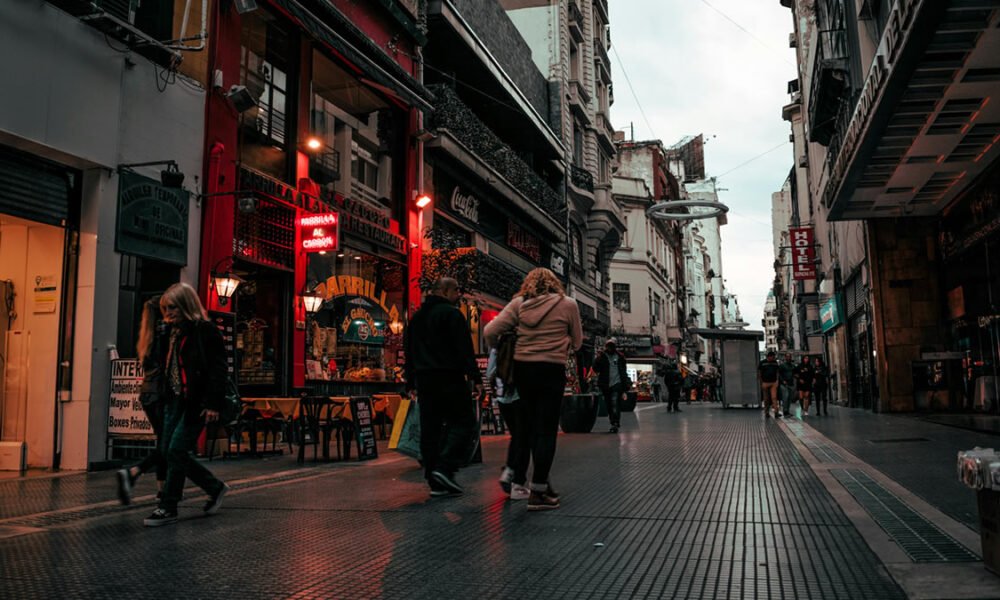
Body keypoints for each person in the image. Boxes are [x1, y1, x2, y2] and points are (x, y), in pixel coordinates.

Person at [484, 268, 582, 511]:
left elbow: (489, 332)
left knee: (528, 428)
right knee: (547, 430)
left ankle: (536, 485)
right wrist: (563, 342)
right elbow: (578, 342)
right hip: (551, 370)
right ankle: (538, 489)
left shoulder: (519, 304)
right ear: (555, 283)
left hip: (523, 371)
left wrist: (505, 344)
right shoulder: (568, 304)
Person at [144, 283, 230, 527]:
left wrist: (212, 403)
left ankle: (168, 506)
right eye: (165, 308)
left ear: (185, 305)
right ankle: (214, 487)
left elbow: (218, 369)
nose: (168, 313)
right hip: (173, 400)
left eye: (172, 308)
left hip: (196, 402)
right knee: (169, 450)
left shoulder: (205, 331)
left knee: (175, 450)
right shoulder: (171, 333)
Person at [404, 277, 482, 497]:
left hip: (425, 380)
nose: (459, 294)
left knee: (431, 429)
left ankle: (434, 480)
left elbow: (409, 351)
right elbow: (464, 349)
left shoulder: (417, 318)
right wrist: (475, 377)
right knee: (465, 423)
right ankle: (445, 467)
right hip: (450, 377)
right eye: (457, 290)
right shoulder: (451, 314)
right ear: (446, 291)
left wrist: (411, 381)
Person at [116, 296, 168, 505]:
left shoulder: (146, 336)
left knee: (163, 442)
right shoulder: (163, 333)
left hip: (147, 393)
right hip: (160, 393)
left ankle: (161, 489)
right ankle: (134, 472)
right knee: (167, 443)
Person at [485, 347, 529, 501]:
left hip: (503, 397)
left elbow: (489, 373)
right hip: (520, 396)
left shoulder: (498, 346)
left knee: (516, 436)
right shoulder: (524, 341)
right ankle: (516, 481)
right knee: (524, 437)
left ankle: (510, 470)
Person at [592, 338, 630, 434]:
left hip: (617, 384)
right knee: (609, 405)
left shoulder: (620, 357)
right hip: (606, 385)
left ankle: (615, 423)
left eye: (611, 346)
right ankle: (613, 421)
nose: (610, 348)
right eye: (608, 346)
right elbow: (595, 369)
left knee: (615, 403)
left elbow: (623, 372)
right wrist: (598, 357)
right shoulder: (603, 357)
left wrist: (625, 386)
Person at [758, 351, 780, 418]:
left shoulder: (775, 363)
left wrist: (777, 381)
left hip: (773, 383)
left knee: (774, 398)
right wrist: (761, 382)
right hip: (765, 383)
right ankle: (766, 412)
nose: (773, 358)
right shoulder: (762, 363)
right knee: (766, 399)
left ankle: (776, 412)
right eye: (773, 357)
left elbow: (777, 372)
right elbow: (759, 373)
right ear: (769, 356)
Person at [778, 352, 796, 418]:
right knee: (785, 397)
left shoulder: (792, 366)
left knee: (789, 398)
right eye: (787, 357)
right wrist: (783, 381)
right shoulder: (782, 366)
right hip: (784, 384)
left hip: (790, 383)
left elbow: (794, 374)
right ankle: (785, 411)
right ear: (785, 357)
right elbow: (779, 374)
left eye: (790, 356)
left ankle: (787, 411)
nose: (789, 358)